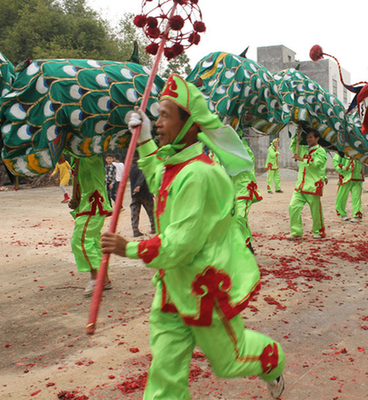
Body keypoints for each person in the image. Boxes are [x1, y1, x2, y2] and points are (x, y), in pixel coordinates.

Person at [101, 74, 285, 400]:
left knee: (230, 361)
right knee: (165, 375)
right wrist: (144, 137)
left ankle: (273, 362)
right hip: (171, 288)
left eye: (165, 116)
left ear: (191, 125)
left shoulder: (199, 174)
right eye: (156, 116)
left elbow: (180, 244)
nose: (158, 122)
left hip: (203, 290)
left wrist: (128, 248)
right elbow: (157, 176)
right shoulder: (175, 165)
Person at [69, 154, 113, 297]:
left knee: (80, 240)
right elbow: (79, 182)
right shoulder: (75, 157)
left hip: (94, 205)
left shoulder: (89, 154)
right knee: (94, 242)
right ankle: (104, 279)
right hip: (85, 205)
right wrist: (75, 199)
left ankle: (96, 279)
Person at [288, 129, 327, 239]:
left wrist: (301, 159)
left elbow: (316, 163)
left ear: (317, 138)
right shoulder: (303, 149)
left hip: (313, 185)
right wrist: (297, 134)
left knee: (315, 211)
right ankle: (296, 231)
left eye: (311, 137)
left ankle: (318, 230)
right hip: (300, 185)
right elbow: (293, 147)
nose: (308, 139)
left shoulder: (321, 151)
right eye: (307, 137)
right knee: (293, 207)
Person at [232, 137, 263, 253]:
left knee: (239, 217)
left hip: (243, 187)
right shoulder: (219, 149)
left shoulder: (244, 149)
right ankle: (247, 243)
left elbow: (239, 165)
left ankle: (244, 246)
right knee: (235, 218)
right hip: (230, 188)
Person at [333, 153, 364, 222]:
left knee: (356, 197)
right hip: (345, 177)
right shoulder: (340, 152)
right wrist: (343, 167)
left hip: (357, 177)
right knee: (342, 197)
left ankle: (357, 215)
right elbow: (335, 162)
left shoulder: (359, 152)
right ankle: (342, 214)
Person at [129, 159, 155, 237]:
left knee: (134, 212)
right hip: (144, 193)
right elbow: (142, 175)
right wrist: (139, 185)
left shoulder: (131, 168)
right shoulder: (143, 167)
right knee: (151, 211)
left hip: (134, 194)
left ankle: (135, 230)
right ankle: (154, 228)